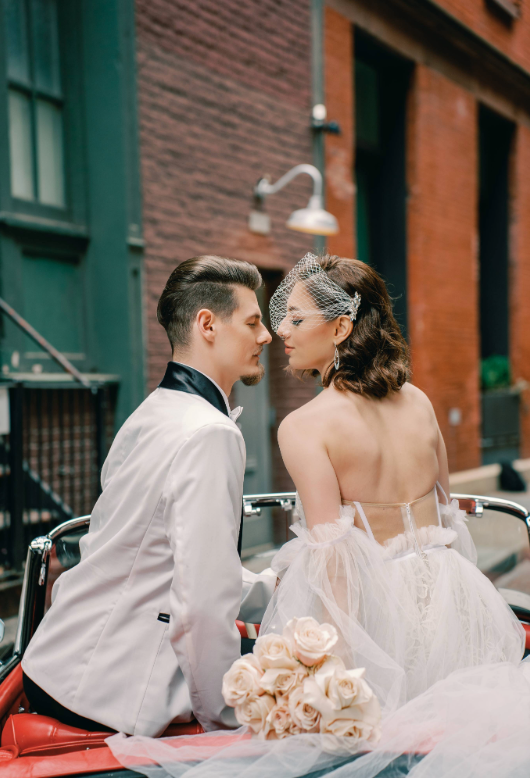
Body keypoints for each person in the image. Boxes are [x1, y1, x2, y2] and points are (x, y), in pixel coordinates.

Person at [108, 253, 530, 777]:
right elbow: (447, 516)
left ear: (341, 326)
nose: (280, 329)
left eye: (296, 318)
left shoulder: (306, 426)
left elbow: (335, 561)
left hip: (379, 617)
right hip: (454, 598)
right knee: (459, 744)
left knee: (371, 750)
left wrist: (337, 675)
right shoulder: (419, 401)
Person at [22, 255, 275, 737]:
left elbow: (153, 557)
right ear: (207, 325)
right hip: (108, 691)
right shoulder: (210, 433)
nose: (265, 336)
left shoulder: (150, 411)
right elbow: (200, 601)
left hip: (54, 662)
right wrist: (227, 716)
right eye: (253, 321)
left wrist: (273, 592)